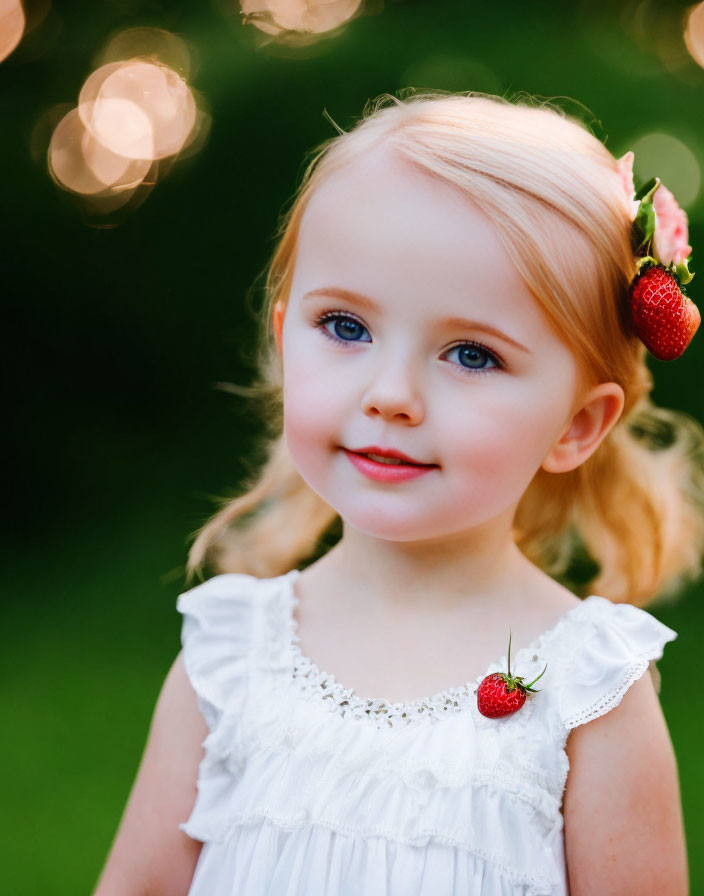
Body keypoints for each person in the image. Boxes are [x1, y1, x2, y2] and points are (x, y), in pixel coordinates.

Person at [92, 90, 704, 895]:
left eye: (473, 355)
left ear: (576, 425)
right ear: (282, 343)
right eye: (346, 328)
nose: (391, 394)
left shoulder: (586, 695)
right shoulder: (227, 661)